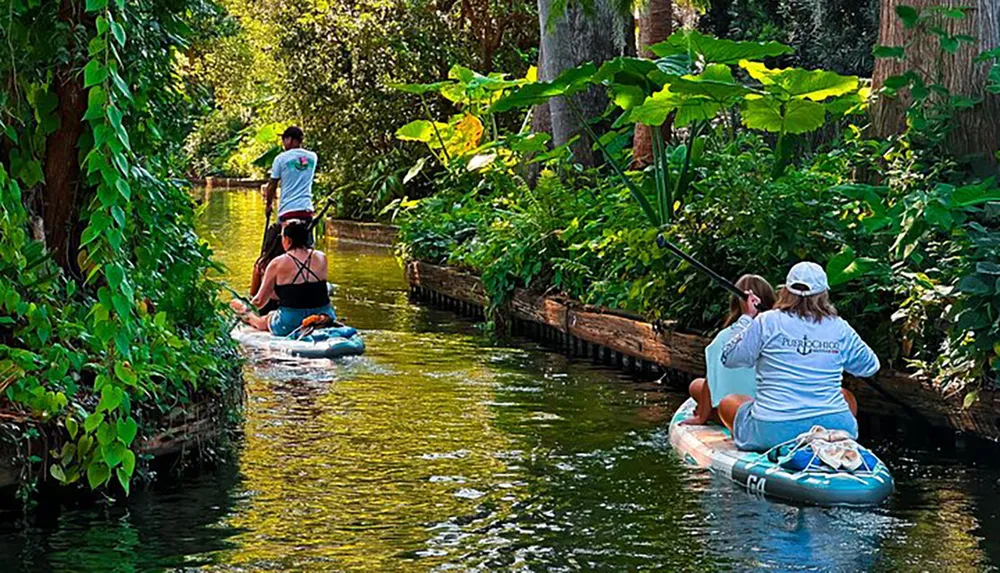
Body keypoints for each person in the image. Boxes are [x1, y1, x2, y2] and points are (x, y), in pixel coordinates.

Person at [717, 261, 880, 452]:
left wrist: (746, 317)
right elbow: (870, 366)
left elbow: (729, 358)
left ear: (786, 291)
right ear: (823, 294)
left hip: (774, 430)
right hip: (836, 426)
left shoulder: (766, 321)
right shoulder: (840, 327)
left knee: (728, 403)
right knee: (844, 396)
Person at [681, 274, 776, 426]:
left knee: (700, 386)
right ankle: (716, 414)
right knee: (696, 385)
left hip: (737, 409)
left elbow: (710, 381)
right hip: (754, 407)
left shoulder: (723, 337)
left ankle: (713, 415)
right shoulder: (776, 337)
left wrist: (702, 418)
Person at [230, 220, 336, 336]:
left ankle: (251, 319)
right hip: (324, 316)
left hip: (290, 322)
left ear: (288, 240)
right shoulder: (321, 257)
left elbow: (259, 301)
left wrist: (245, 309)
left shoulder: (277, 263)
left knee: (261, 319)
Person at [264, 126, 318, 225]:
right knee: (308, 238)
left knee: (273, 238)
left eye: (284, 140)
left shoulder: (280, 159)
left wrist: (268, 205)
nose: (283, 144)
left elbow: (272, 186)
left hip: (287, 210)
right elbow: (301, 164)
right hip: (306, 210)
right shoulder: (313, 157)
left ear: (290, 139)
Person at [249, 223, 284, 315]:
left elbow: (253, 293)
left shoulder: (262, 264)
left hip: (267, 308)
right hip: (286, 306)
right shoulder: (292, 262)